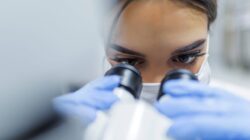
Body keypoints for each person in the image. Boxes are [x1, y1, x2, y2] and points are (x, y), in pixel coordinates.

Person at [53, 0, 250, 139]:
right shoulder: (74, 119)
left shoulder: (239, 120)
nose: (158, 81)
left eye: (185, 57)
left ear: (208, 36)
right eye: (129, 62)